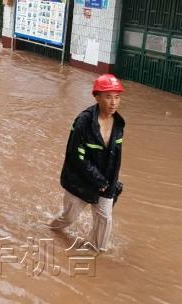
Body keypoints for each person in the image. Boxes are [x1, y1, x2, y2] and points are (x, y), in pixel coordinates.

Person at [48, 74, 125, 252]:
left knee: (105, 220)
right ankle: (50, 229)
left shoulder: (119, 124)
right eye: (108, 96)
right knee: (68, 218)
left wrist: (112, 184)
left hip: (106, 184)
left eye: (117, 97)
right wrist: (98, 180)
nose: (113, 102)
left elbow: (115, 157)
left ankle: (97, 254)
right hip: (80, 182)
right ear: (97, 97)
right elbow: (77, 156)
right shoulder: (83, 121)